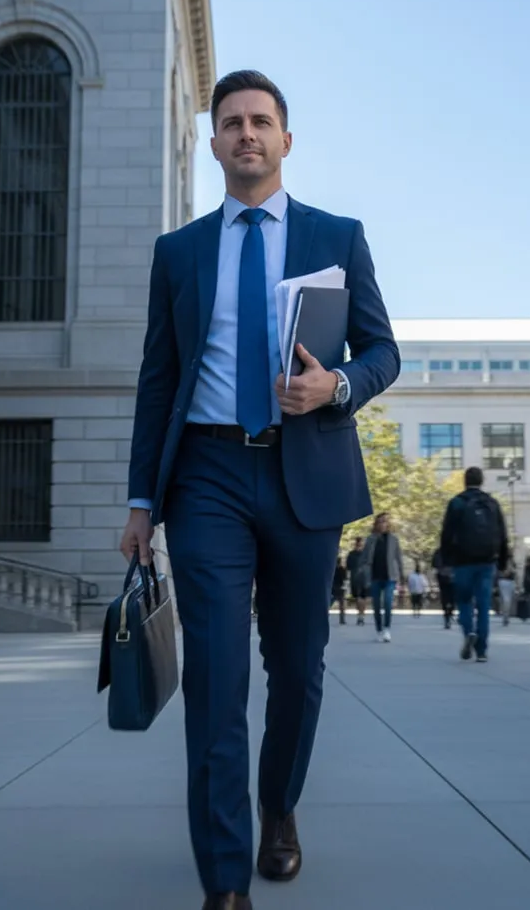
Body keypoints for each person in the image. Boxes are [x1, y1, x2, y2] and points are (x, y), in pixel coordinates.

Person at [121, 70, 399, 910]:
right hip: (205, 475)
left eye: (261, 122)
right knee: (214, 673)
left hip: (303, 472)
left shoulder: (337, 237)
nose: (247, 134)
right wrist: (141, 501)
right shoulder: (179, 254)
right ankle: (223, 877)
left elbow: (384, 353)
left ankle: (279, 807)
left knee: (298, 670)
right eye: (231, 123)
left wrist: (336, 387)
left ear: (286, 139)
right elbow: (157, 381)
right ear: (213, 144)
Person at [440, 467, 509, 663]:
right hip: (487, 562)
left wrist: (445, 560)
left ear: (464, 480)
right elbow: (503, 535)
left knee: (463, 602)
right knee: (483, 605)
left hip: (462, 562)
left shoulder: (456, 503)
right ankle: (482, 651)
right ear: (482, 481)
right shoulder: (492, 503)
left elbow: (446, 534)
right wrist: (503, 561)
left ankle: (469, 631)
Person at [364, 512, 406, 641]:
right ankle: (379, 630)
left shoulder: (393, 539)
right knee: (376, 605)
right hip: (375, 576)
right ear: (376, 524)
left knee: (387, 602)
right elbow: (365, 559)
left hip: (390, 576)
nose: (383, 524)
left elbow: (398, 558)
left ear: (388, 524)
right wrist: (365, 576)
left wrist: (402, 577)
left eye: (385, 521)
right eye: (380, 521)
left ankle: (387, 629)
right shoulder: (371, 539)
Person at [347, 536, 370, 626]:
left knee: (361, 598)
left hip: (362, 578)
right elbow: (348, 566)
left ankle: (361, 615)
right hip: (357, 578)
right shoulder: (352, 554)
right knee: (360, 598)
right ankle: (361, 616)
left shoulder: (364, 554)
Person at [432, 550, 456, 629]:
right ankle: (449, 613)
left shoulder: (439, 552)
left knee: (445, 596)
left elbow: (434, 565)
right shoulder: (456, 550)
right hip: (452, 577)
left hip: (443, 576)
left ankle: (447, 615)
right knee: (451, 596)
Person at [332, 557, 348, 624]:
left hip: (333, 588)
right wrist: (345, 588)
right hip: (340, 588)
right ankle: (342, 620)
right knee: (341, 605)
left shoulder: (333, 569)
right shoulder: (343, 569)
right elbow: (345, 579)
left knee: (329, 603)